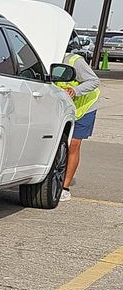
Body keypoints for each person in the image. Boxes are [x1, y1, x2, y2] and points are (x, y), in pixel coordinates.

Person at [58, 49, 101, 202]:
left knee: (74, 144)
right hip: (61, 107)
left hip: (83, 108)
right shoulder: (40, 55)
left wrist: (74, 90)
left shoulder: (73, 60)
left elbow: (94, 81)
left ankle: (65, 187)